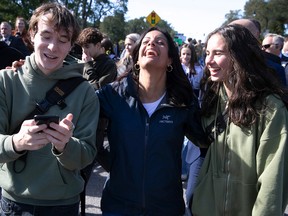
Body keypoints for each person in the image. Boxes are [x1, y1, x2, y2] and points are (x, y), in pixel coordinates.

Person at [96, 26, 208, 215]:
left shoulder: (182, 101)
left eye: (160, 42)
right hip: (118, 206)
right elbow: (90, 138)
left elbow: (205, 142)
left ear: (170, 59)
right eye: (146, 42)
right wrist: (114, 164)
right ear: (137, 58)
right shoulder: (112, 94)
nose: (152, 43)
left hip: (166, 207)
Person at [0, 3, 99, 216]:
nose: (53, 47)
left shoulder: (85, 93)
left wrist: (65, 146)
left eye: (63, 40)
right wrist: (16, 142)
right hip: (14, 204)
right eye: (46, 36)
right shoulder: (5, 81)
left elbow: (87, 154)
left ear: (72, 44)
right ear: (32, 35)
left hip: (63, 205)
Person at [192, 24, 288, 216]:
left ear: (239, 57)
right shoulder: (213, 101)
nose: (208, 61)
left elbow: (272, 183)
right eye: (207, 53)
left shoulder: (269, 108)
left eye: (217, 53)